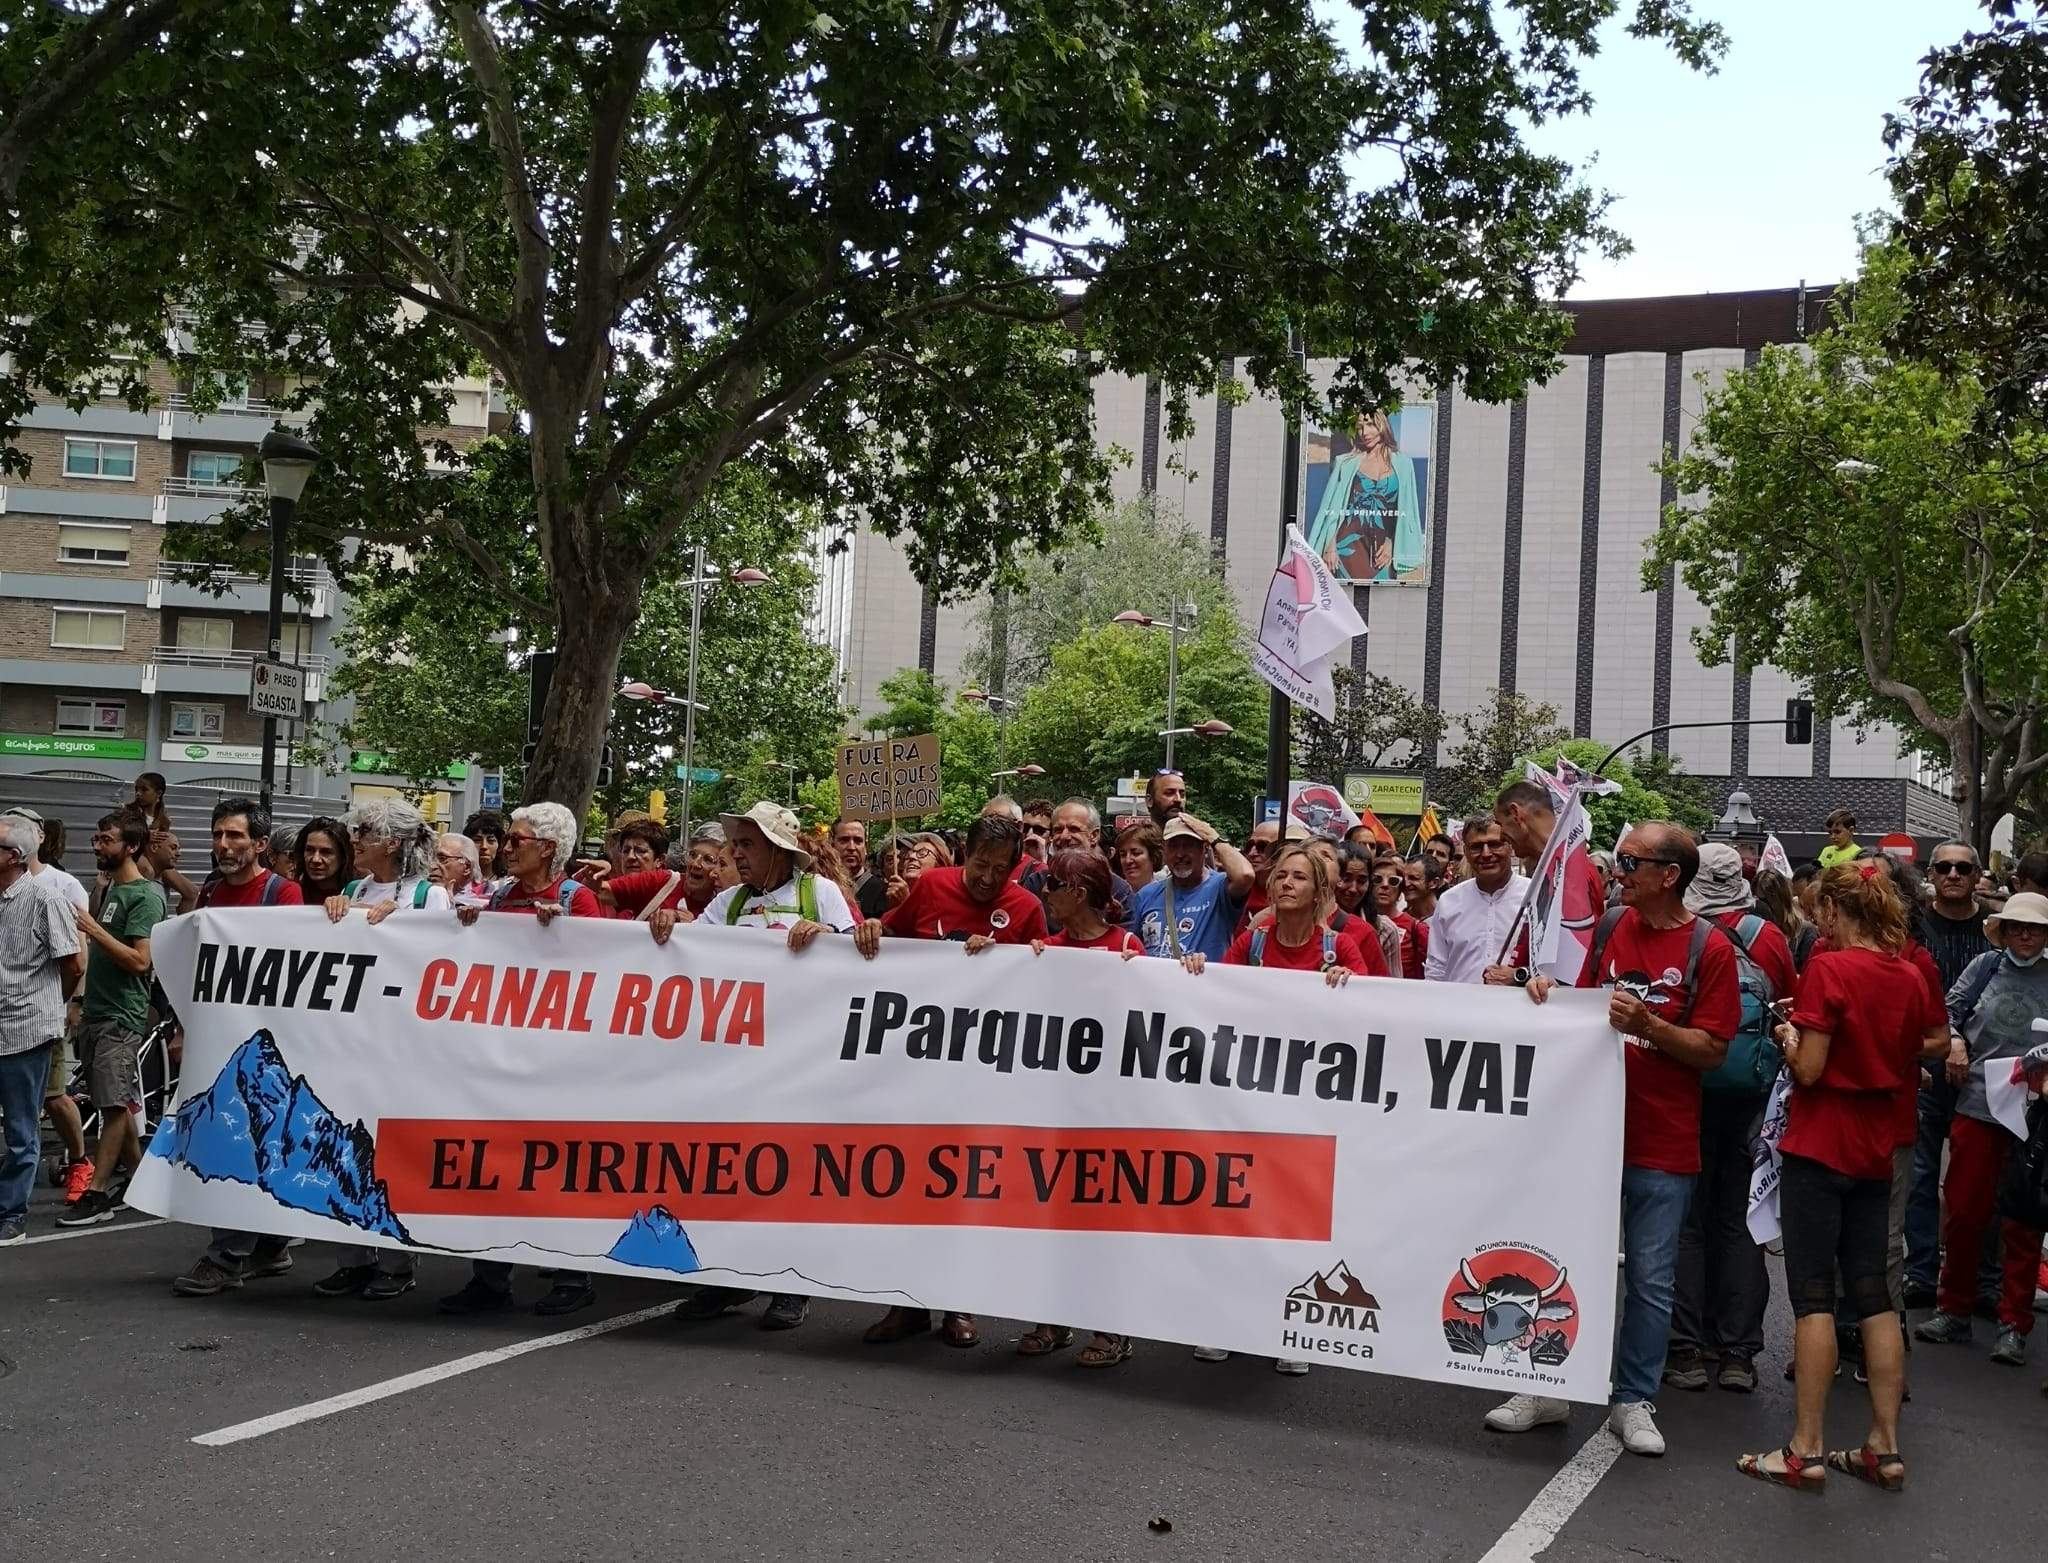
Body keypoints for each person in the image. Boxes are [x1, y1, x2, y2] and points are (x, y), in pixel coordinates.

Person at [1504, 823, 1742, 1458]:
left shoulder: (1708, 949)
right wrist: (1541, 991)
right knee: (1558, 1262)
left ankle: (1632, 1398)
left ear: (1671, 874)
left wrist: (1652, 1024)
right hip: (1588, 1134)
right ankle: (1547, 1382)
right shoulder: (1609, 925)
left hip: (1662, 1142)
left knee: (1651, 1278)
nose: (1619, 869)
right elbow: (1577, 1003)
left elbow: (1714, 1051)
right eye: (1618, 858)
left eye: (1632, 861)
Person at [1737, 862, 1948, 1493]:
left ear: (1833, 911)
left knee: (1813, 1296)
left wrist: (1784, 1034)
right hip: (1876, 1146)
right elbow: (1933, 1039)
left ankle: (1804, 1449)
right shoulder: (1908, 973)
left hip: (1820, 1143)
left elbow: (1809, 1069)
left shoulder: (1829, 968)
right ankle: (1883, 1445)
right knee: (1875, 1296)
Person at [852, 813, 1043, 1347]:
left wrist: (1011, 957)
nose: (987, 878)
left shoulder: (1025, 909)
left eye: (1000, 870)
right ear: (965, 856)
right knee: (908, 1188)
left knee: (963, 1194)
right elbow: (890, 930)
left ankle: (960, 1306)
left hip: (979, 1078)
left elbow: (1047, 978)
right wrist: (871, 928)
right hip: (913, 1072)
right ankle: (905, 1304)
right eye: (980, 864)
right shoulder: (931, 886)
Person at [669, 801, 858, 1331]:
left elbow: (858, 962)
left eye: (747, 845)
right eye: (736, 844)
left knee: (790, 1171)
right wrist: (666, 927)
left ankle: (790, 1284)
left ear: (778, 850)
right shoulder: (727, 902)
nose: (735, 855)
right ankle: (723, 1278)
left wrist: (827, 940)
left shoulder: (818, 894)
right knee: (727, 1170)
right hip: (737, 1063)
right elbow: (685, 948)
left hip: (800, 1061)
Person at [1183, 843, 1368, 1374]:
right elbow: (1214, 996)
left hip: (1309, 1107)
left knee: (1293, 1216)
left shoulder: (1342, 949)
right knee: (1237, 1209)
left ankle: (1293, 1329)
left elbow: (1377, 1014)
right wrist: (1197, 968)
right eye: (1280, 875)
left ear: (1319, 891)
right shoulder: (1252, 943)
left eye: (1298, 877)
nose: (1285, 883)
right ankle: (1227, 1320)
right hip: (1250, 1101)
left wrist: (1351, 990)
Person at [436, 802, 602, 1318]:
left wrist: (568, 937)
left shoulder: (579, 901)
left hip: (560, 1064)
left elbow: (607, 976)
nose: (504, 849)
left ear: (547, 850)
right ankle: (490, 1276)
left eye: (516, 841)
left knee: (562, 1168)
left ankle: (574, 1274)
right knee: (493, 1165)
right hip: (503, 1058)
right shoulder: (503, 898)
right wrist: (471, 926)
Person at [299, 798, 452, 1294]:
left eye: (365, 831)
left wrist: (401, 926)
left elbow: (445, 960)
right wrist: (335, 916)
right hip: (355, 1042)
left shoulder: (429, 896)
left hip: (404, 1046)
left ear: (392, 841)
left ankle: (396, 1262)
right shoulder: (352, 889)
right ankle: (354, 1256)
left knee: (392, 1152)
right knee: (345, 1146)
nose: (356, 840)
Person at [1663, 843, 1797, 1395]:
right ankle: (1738, 1351)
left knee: (1687, 1219)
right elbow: (1788, 1006)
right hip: (1751, 1094)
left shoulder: (1683, 929)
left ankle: (1686, 1347)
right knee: (1742, 1215)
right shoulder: (1769, 937)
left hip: (1686, 1083)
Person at [171, 798, 307, 1295]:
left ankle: (227, 1256)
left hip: (263, 1044)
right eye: (218, 835)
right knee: (231, 1137)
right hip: (217, 1038)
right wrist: (183, 1026)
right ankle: (269, 1244)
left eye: (235, 837)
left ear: (261, 845)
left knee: (244, 1138)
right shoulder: (210, 891)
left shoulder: (282, 894)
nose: (224, 845)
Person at [1020, 846, 1144, 1369]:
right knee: (1052, 1214)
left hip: (1109, 1109)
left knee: (1103, 1222)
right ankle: (1052, 1317)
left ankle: (1111, 1327)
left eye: (1050, 887)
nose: (1043, 896)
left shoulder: (1127, 947)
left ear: (1076, 895)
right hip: (1056, 1107)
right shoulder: (1043, 949)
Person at [1914, 891, 2048, 1367]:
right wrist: (1953, 1042)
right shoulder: (1985, 968)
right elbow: (1947, 1013)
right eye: (2016, 926)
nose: (2025, 934)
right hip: (1977, 1104)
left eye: (2033, 927)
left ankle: (2014, 1323)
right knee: (1966, 1213)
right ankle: (1954, 1308)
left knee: (2023, 1222)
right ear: (2004, 930)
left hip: (2035, 1118)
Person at [53, 811, 169, 1228]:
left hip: (122, 1016)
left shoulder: (145, 895)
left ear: (131, 846)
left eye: (106, 840)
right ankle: (139, 1180)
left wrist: (94, 929)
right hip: (98, 1013)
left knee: (114, 1105)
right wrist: (80, 1004)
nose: (97, 846)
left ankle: (98, 1193)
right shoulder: (113, 891)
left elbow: (141, 961)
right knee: (112, 1100)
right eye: (97, 839)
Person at [1903, 841, 1993, 1307]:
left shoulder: (1996, 931)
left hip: (1987, 1071)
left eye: (1963, 867)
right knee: (1919, 1173)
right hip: (1925, 1064)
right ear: (1932, 874)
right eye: (1944, 867)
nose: (1954, 874)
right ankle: (1920, 1271)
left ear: (1978, 874)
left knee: (1977, 1177)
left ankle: (1975, 1276)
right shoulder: (1913, 928)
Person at [0, 814, 84, 1244]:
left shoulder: (45, 899)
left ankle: (11, 1213)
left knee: (20, 1128)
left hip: (24, 1030)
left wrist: (51, 1006)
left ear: (13, 857)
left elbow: (74, 963)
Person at [1488, 780, 1607, 986]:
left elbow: (1577, 964)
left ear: (1515, 813)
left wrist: (1518, 976)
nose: (1500, 835)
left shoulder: (1572, 872)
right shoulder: (1549, 867)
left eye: (1499, 824)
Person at [1307, 408, 1425, 582]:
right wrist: (1330, 546)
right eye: (1360, 427)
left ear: (1382, 425)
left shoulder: (1404, 464)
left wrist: (1393, 543)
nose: (1364, 433)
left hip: (1382, 550)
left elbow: (1408, 513)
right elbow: (1331, 508)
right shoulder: (1345, 463)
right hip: (1346, 547)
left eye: (1370, 425)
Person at [1130, 815, 1254, 962]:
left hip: (1205, 983)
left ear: (1204, 848)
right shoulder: (1146, 895)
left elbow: (1245, 875)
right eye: (1173, 846)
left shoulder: (1220, 888)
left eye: (1188, 845)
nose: (1180, 854)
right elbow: (1132, 946)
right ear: (1164, 850)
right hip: (1157, 983)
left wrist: (1212, 837)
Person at [1423, 817, 1525, 984]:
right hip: (1459, 1007)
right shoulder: (1449, 901)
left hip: (1519, 1007)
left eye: (1494, 844)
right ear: (1466, 852)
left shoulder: (1534, 897)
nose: (1486, 854)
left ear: (1509, 846)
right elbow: (1436, 968)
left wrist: (1518, 976)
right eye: (1476, 847)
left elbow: (1548, 969)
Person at [1022, 799, 1135, 931]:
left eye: (1073, 829)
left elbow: (1123, 944)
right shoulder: (1036, 883)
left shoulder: (1119, 890)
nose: (1064, 836)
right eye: (1058, 830)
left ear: (1094, 836)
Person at [834, 818, 887, 920]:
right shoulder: (821, 887)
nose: (851, 847)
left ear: (866, 847)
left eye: (858, 841)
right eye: (844, 840)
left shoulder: (883, 891)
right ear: (832, 845)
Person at [293, 816, 353, 904]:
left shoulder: (357, 893)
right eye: (309, 850)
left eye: (326, 852)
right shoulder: (292, 893)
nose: (315, 859)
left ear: (343, 857)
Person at [433, 832, 490, 903]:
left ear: (467, 867)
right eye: (430, 858)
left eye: (442, 859)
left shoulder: (486, 898)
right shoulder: (423, 891)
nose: (432, 866)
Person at [1116, 819, 1164, 893]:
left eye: (1136, 853)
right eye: (1123, 855)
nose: (1128, 860)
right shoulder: (1115, 895)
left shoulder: (1167, 894)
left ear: (1154, 856)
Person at [463, 808, 507, 881]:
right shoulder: (458, 881)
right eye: (477, 840)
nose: (484, 846)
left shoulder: (506, 884)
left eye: (491, 840)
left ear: (499, 846)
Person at [131, 771, 172, 835]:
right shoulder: (126, 815)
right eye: (136, 789)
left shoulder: (164, 820)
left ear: (158, 793)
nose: (138, 793)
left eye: (144, 789)